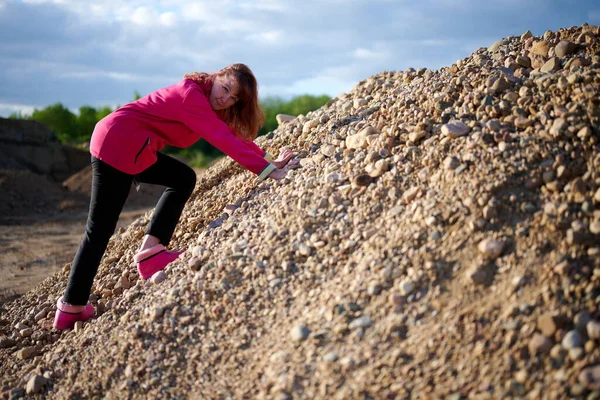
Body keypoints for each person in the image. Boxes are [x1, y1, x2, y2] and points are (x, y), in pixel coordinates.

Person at [53, 63, 297, 330]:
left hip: (132, 144)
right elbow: (222, 140)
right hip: (118, 142)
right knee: (99, 229)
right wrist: (268, 172)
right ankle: (72, 308)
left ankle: (152, 253)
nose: (225, 99)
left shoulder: (207, 100)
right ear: (216, 77)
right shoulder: (190, 96)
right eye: (225, 88)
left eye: (233, 98)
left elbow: (233, 134)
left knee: (182, 178)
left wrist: (269, 161)